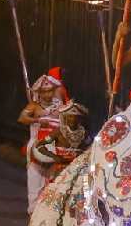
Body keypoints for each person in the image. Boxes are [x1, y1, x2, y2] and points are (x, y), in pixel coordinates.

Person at [16, 69, 85, 211]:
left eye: (50, 91)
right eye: (44, 91)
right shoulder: (33, 106)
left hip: (58, 148)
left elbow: (74, 116)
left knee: (54, 184)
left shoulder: (60, 107)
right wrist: (39, 120)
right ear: (39, 93)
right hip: (37, 146)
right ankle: (33, 212)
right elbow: (22, 118)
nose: (48, 94)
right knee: (35, 183)